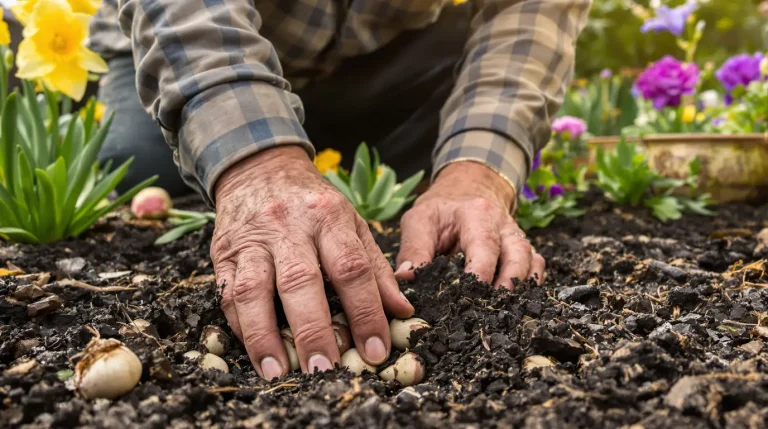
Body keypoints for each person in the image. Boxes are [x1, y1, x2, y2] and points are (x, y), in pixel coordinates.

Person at [90, 0, 591, 380]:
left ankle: (331, 159)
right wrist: (254, 164)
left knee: (442, 159)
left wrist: (478, 172)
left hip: (378, 57)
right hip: (197, 37)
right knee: (135, 168)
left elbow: (530, 16)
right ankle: (298, 151)